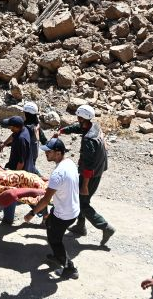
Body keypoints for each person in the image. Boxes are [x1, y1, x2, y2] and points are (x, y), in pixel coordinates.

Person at [56, 104, 115, 245]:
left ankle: (105, 227)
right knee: (80, 199)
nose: (77, 119)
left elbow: (88, 165)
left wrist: (85, 186)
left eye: (78, 117)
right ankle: (80, 226)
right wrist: (63, 131)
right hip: (97, 170)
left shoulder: (89, 139)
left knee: (82, 203)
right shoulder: (94, 126)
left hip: (90, 175)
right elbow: (78, 128)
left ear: (82, 118)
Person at [23, 138, 80, 279]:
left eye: (49, 151)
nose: (46, 153)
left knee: (55, 240)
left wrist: (32, 213)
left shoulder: (58, 173)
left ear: (58, 153)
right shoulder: (69, 163)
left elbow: (45, 201)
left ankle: (70, 268)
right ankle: (58, 256)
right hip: (72, 209)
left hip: (64, 215)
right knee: (49, 224)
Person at [0, 115, 36, 225]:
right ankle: (44, 214)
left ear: (16, 127)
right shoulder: (23, 129)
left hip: (19, 170)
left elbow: (21, 162)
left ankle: (8, 219)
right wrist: (4, 144)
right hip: (26, 167)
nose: (10, 128)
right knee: (26, 194)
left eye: (11, 126)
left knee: (11, 193)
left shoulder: (21, 139)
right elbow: (12, 136)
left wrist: (15, 176)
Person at [0, 102, 46, 174]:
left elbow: (19, 140)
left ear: (27, 114)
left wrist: (6, 144)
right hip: (33, 154)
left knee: (28, 170)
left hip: (27, 155)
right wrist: (5, 143)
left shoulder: (27, 128)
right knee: (31, 168)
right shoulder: (35, 125)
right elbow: (44, 140)